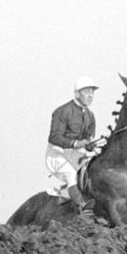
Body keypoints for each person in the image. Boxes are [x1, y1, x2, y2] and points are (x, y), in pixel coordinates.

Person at [46, 76, 104, 213]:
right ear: (77, 94)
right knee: (71, 174)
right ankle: (81, 207)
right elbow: (54, 137)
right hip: (57, 153)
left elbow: (88, 140)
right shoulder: (63, 111)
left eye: (92, 92)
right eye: (87, 92)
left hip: (75, 154)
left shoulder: (91, 116)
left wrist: (89, 145)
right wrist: (76, 143)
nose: (91, 95)